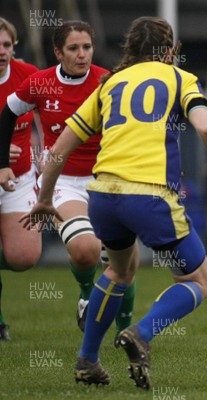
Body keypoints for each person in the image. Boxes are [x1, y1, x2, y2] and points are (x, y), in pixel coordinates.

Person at [17, 16, 207, 388]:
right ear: (169, 51)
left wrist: (45, 198)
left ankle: (88, 360)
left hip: (102, 196)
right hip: (148, 196)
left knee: (118, 271)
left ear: (130, 49)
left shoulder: (108, 84)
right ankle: (142, 332)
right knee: (199, 278)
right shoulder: (179, 78)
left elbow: (59, 149)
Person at [0, 20, 137, 335]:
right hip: (62, 180)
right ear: (58, 52)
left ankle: (126, 332)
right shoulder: (40, 83)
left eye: (87, 47)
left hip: (107, 178)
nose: (82, 55)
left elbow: (133, 129)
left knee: (124, 265)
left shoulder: (109, 82)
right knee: (86, 250)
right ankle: (88, 296)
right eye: (73, 48)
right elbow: (7, 113)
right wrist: (1, 162)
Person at [0, 17, 41, 341]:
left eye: (6, 45)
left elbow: (49, 112)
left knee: (24, 257)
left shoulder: (27, 75)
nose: (1, 51)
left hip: (21, 178)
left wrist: (47, 152)